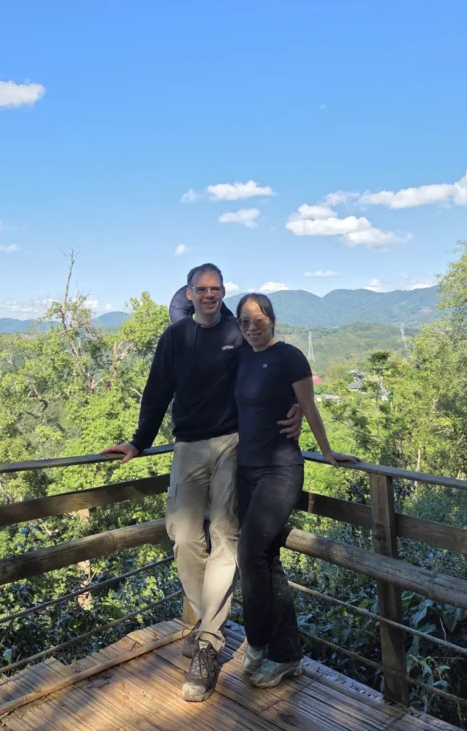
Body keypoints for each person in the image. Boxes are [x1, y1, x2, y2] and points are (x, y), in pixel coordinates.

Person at [101, 264, 302, 703]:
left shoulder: (236, 332)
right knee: (183, 535)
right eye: (202, 289)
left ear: (223, 292)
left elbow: (271, 367)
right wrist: (138, 441)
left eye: (216, 289)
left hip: (232, 442)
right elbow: (157, 391)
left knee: (226, 535)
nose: (210, 295)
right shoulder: (175, 337)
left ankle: (209, 643)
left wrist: (298, 408)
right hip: (188, 444)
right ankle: (209, 619)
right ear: (189, 294)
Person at [233, 292, 360, 688]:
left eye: (258, 319)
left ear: (272, 319)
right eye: (244, 321)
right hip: (244, 469)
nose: (252, 327)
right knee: (265, 558)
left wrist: (326, 450)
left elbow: (309, 404)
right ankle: (284, 654)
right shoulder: (240, 357)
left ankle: (260, 643)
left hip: (281, 469)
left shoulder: (289, 356)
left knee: (249, 552)